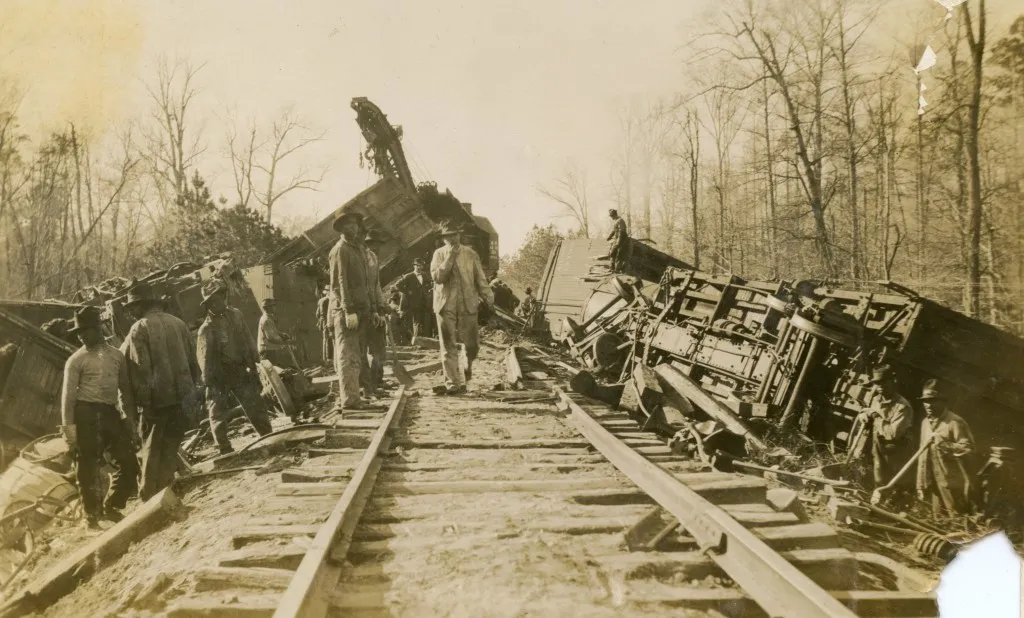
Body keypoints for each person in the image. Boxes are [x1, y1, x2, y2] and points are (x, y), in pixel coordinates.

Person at [120, 281, 202, 501]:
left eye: (132, 309)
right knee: (170, 444)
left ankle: (148, 496)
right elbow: (193, 361)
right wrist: (193, 391)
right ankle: (164, 492)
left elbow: (142, 369)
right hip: (183, 396)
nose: (131, 313)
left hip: (157, 400)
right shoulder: (179, 323)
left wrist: (144, 402)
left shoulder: (139, 328)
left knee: (151, 448)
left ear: (140, 306)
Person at [60, 308, 139, 528]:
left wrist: (129, 420)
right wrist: (70, 436)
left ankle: (112, 507)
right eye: (79, 332)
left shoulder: (116, 356)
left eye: (86, 330)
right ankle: (92, 519)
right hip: (85, 414)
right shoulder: (76, 360)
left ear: (98, 329)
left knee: (129, 462)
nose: (81, 336)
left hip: (109, 412)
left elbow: (125, 390)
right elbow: (67, 400)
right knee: (87, 468)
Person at [196, 281, 274, 454]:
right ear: (208, 305)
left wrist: (254, 362)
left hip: (240, 369)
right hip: (219, 374)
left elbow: (247, 337)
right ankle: (223, 447)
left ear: (224, 296)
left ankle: (267, 435)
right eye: (212, 301)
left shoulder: (236, 315)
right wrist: (208, 381)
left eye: (219, 298)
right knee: (217, 411)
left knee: (254, 403)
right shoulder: (206, 329)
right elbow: (204, 358)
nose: (218, 303)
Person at [430, 220, 494, 395]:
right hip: (445, 304)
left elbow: (480, 278)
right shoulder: (439, 254)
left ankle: (468, 364)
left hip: (467, 303)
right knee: (448, 345)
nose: (453, 239)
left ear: (460, 235)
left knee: (472, 345)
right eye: (449, 236)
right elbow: (438, 277)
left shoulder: (471, 254)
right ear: (444, 239)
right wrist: (449, 257)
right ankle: (453, 383)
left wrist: (488, 297)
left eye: (455, 235)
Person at [328, 211, 379, 413]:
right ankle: (349, 399)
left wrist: (373, 309)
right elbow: (339, 283)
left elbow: (369, 284)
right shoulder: (340, 250)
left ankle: (353, 396)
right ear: (341, 229)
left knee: (357, 356)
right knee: (348, 356)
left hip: (362, 311)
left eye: (355, 224)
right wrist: (348, 310)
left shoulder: (358, 250)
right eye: (347, 225)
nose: (353, 228)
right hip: (348, 312)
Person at [916, 379, 977, 516]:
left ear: (943, 402)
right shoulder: (925, 423)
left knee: (956, 518)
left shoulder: (954, 422)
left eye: (933, 401)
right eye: (926, 401)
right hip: (932, 481)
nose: (929, 405)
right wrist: (920, 483)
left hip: (952, 482)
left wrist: (945, 445)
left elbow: (969, 448)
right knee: (939, 520)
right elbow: (921, 454)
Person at [856, 366, 914, 488]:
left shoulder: (902, 406)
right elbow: (866, 411)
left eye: (884, 383)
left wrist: (874, 415)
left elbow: (892, 434)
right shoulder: (876, 399)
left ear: (893, 382)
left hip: (892, 453)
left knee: (889, 484)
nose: (880, 386)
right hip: (875, 447)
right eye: (877, 383)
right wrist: (863, 414)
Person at [362, 229, 389, 397]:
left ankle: (377, 380)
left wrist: (382, 305)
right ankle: (367, 385)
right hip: (364, 309)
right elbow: (364, 288)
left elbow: (376, 285)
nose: (376, 248)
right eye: (373, 244)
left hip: (374, 309)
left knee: (378, 347)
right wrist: (372, 308)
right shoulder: (362, 258)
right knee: (366, 350)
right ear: (367, 244)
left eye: (378, 245)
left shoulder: (375, 259)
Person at [396, 258, 433, 341]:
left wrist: (427, 293)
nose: (419, 267)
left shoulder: (424, 275)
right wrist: (408, 292)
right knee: (416, 322)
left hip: (424, 302)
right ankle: (416, 340)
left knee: (424, 321)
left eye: (421, 266)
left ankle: (424, 340)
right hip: (413, 303)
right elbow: (398, 285)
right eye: (417, 266)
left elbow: (429, 285)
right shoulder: (408, 276)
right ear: (414, 266)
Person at [257, 298, 295, 369]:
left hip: (269, 349)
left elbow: (274, 331)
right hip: (268, 351)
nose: (275, 307)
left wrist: (282, 334)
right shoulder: (266, 320)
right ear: (267, 307)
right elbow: (271, 337)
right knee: (273, 373)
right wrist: (285, 341)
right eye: (273, 305)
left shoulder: (267, 318)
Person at [606, 209, 631, 273]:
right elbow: (614, 230)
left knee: (618, 255)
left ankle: (617, 269)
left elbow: (621, 232)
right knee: (612, 253)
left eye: (612, 216)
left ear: (615, 215)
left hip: (621, 240)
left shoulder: (620, 221)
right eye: (611, 216)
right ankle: (612, 268)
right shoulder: (616, 221)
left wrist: (618, 243)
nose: (611, 217)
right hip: (616, 240)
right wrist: (609, 236)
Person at [316, 285, 333, 364]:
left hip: (322, 321)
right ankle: (329, 359)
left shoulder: (320, 300)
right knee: (329, 340)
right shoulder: (328, 301)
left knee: (325, 340)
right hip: (327, 320)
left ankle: (325, 358)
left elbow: (317, 314)